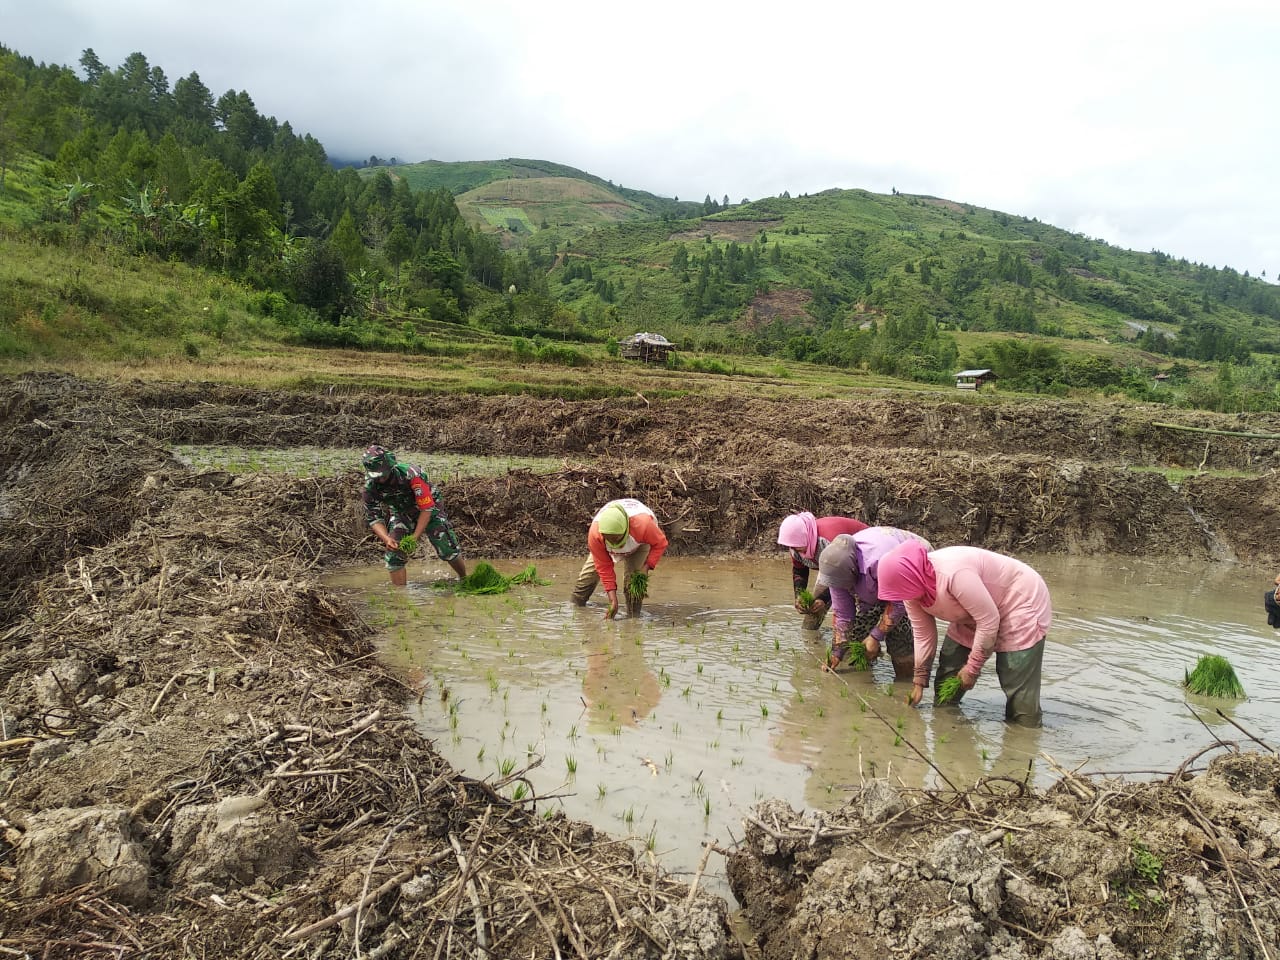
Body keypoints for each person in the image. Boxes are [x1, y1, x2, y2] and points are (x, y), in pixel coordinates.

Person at [878, 541, 1051, 727]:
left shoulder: (953, 574)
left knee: (1015, 683)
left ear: (911, 577)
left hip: (1018, 600)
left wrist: (972, 668)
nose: (904, 596)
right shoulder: (911, 592)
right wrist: (919, 682)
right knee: (947, 678)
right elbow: (923, 635)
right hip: (971, 613)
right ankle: (949, 737)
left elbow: (988, 621)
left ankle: (1025, 739)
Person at [816, 527, 931, 678]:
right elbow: (843, 615)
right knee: (856, 642)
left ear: (852, 570)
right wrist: (837, 651)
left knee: (901, 642)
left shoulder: (879, 560)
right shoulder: (837, 570)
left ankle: (906, 684)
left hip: (912, 569)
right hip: (874, 584)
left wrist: (876, 636)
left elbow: (899, 604)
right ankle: (864, 680)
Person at [360, 445, 467, 586]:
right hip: (401, 512)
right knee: (394, 555)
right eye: (377, 476)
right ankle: (401, 598)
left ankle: (464, 579)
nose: (380, 480)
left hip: (430, 507)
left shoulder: (411, 475)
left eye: (383, 475)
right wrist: (386, 539)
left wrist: (415, 537)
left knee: (446, 546)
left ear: (390, 468)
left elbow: (426, 509)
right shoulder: (370, 487)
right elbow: (374, 518)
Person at [572, 498, 668, 619]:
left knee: (633, 582)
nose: (613, 542)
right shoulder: (595, 534)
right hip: (603, 546)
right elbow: (604, 567)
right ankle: (575, 611)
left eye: (616, 538)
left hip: (639, 544)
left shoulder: (644, 526)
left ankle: (634, 618)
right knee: (585, 580)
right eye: (609, 539)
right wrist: (613, 601)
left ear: (625, 530)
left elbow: (660, 543)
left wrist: (646, 567)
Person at [776, 512, 868, 627]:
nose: (795, 550)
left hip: (863, 561)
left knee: (859, 612)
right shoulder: (795, 547)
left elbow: (840, 577)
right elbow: (799, 570)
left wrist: (824, 599)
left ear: (805, 536)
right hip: (833, 567)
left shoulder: (827, 541)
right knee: (812, 615)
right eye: (791, 547)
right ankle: (811, 640)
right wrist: (799, 595)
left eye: (797, 546)